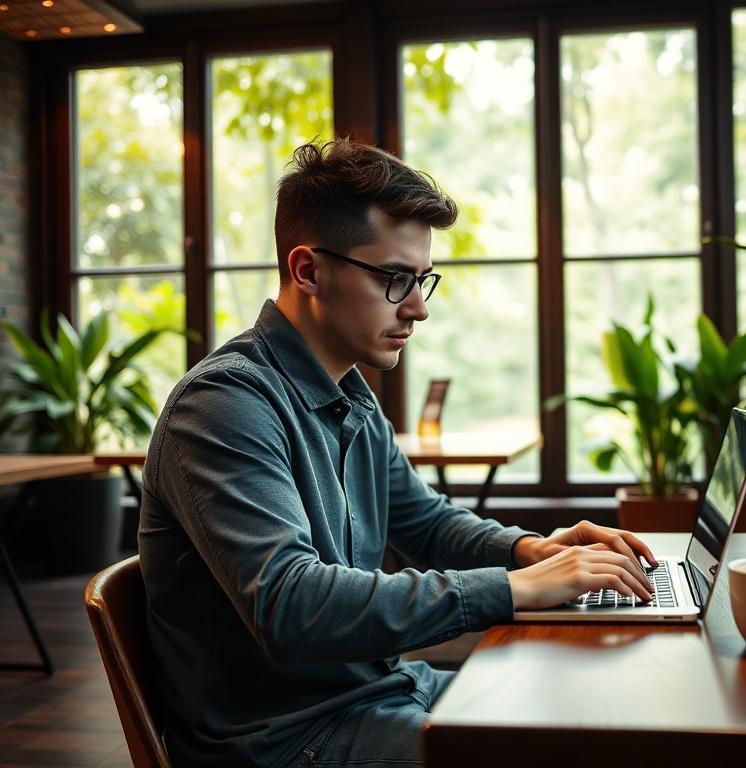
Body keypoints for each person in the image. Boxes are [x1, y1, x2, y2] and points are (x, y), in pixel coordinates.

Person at [139, 138, 656, 768]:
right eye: (394, 280)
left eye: (422, 279)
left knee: (599, 706)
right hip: (284, 741)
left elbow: (426, 521)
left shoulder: (349, 395)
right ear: (308, 270)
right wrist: (514, 588)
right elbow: (291, 603)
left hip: (378, 693)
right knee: (562, 748)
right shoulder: (223, 406)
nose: (419, 307)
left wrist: (530, 551)